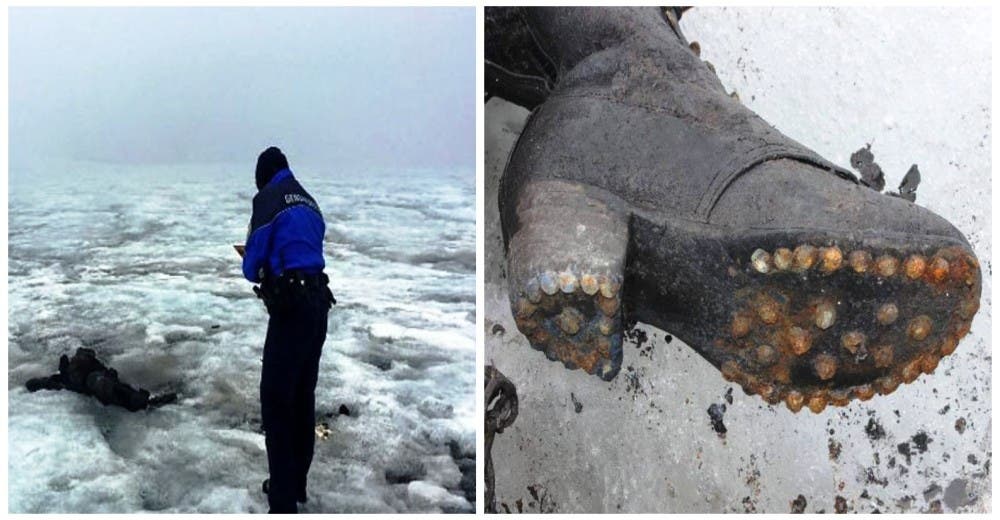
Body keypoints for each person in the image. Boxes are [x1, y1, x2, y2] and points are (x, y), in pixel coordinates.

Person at [242, 146, 335, 513]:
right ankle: (295, 485)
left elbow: (252, 264)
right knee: (302, 398)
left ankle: (281, 502)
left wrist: (258, 262)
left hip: (292, 309)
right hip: (318, 305)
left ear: (263, 176)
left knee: (277, 402)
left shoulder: (268, 200)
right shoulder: (308, 201)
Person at [25, 347, 176, 412]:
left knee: (112, 387)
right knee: (109, 387)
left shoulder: (90, 370)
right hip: (96, 386)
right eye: (78, 358)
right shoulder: (66, 377)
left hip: (101, 385)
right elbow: (35, 384)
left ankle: (143, 402)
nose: (79, 360)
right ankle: (143, 403)